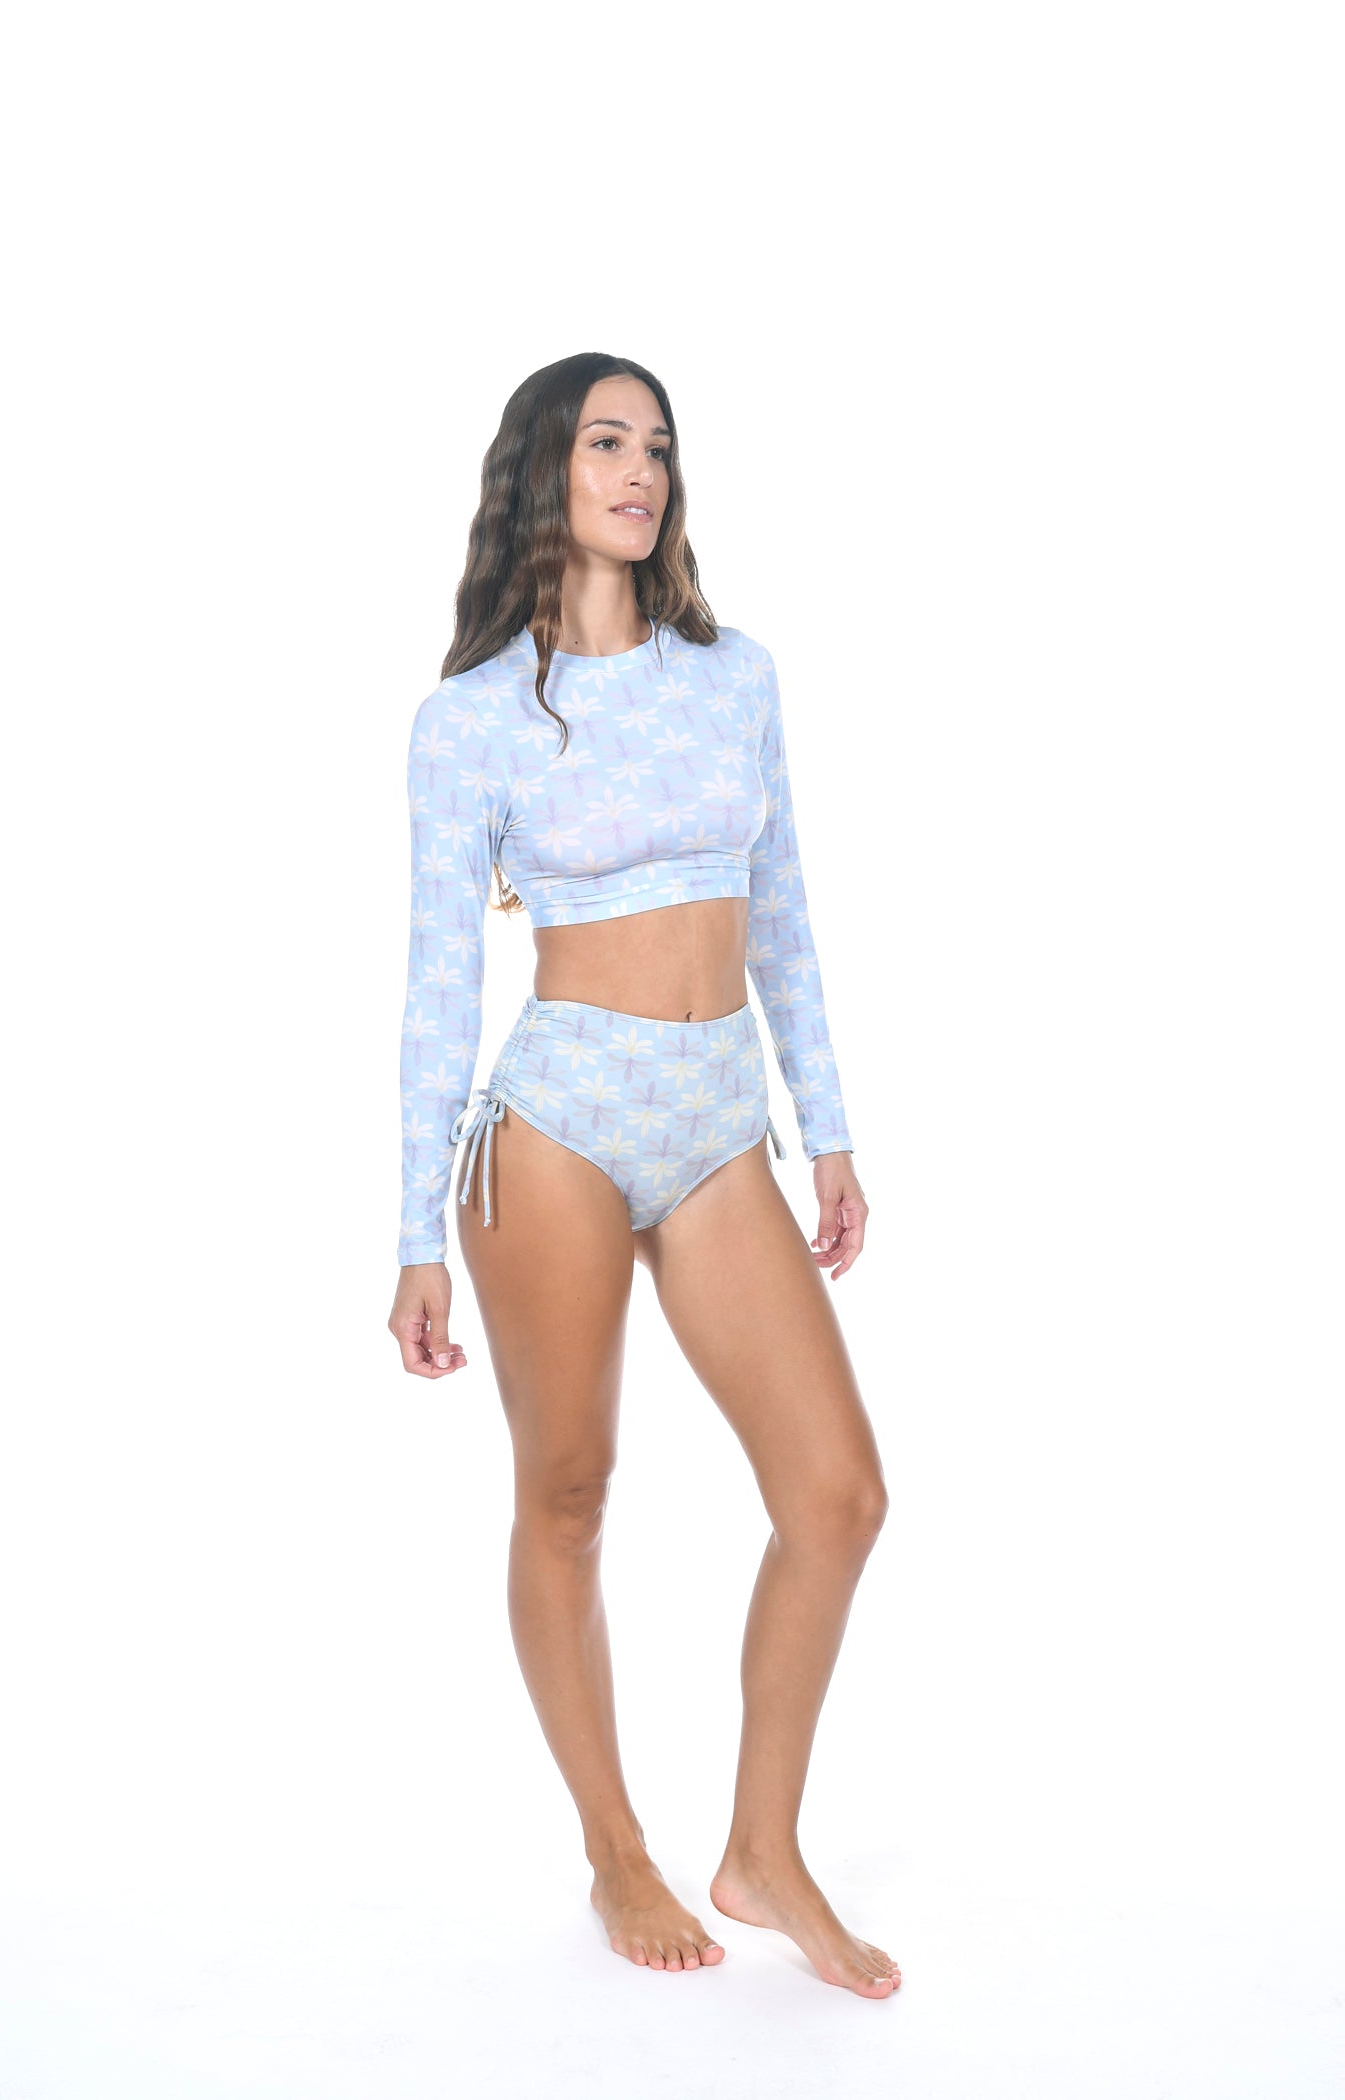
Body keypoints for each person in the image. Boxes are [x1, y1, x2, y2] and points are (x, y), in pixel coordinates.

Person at [388, 353, 899, 2000]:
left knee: (837, 1495)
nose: (641, 472)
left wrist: (828, 1127)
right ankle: (616, 1846)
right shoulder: (471, 719)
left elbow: (787, 912)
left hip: (718, 1122)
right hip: (557, 1121)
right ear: (543, 469)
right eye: (608, 442)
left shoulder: (733, 676)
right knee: (568, 1491)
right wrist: (413, 1231)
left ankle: (763, 1850)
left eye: (659, 447)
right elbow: (438, 982)